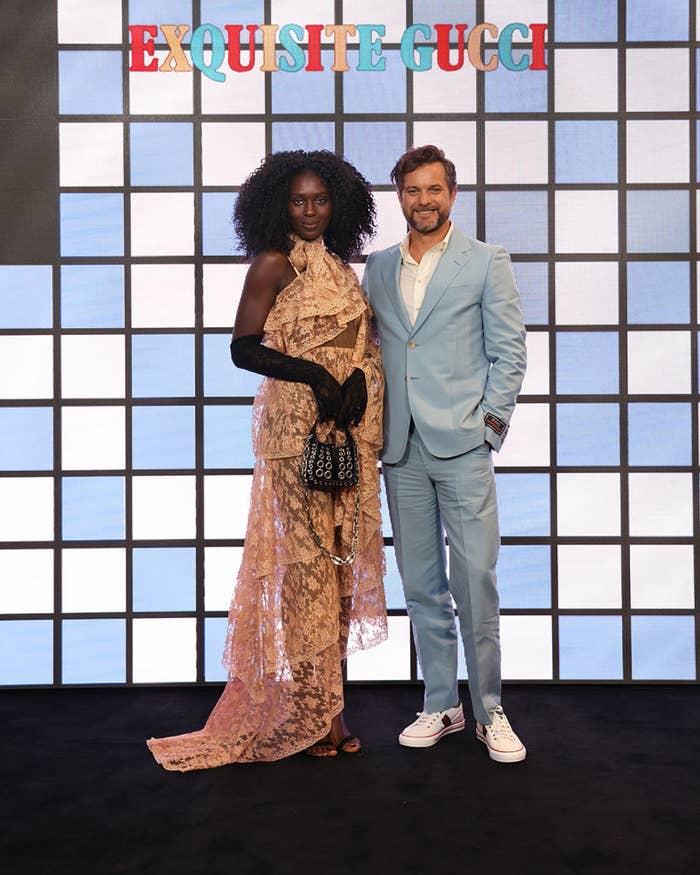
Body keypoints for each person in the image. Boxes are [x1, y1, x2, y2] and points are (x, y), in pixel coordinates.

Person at [147, 151, 387, 769]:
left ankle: (327, 710)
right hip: (294, 439)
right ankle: (318, 719)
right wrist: (312, 375)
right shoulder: (272, 263)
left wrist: (356, 379)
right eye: (298, 201)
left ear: (339, 205)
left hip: (347, 435)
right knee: (305, 572)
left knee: (336, 569)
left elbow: (361, 341)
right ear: (280, 205)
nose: (309, 212)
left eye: (320, 201)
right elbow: (243, 348)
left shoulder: (339, 266)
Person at [362, 145, 527, 763]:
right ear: (399, 196)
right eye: (412, 190)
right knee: (423, 585)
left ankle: (491, 711)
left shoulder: (486, 262)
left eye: (435, 190)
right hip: (400, 448)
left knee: (476, 579)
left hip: (462, 445)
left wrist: (488, 427)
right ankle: (441, 703)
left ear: (452, 195)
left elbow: (510, 352)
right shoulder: (377, 267)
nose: (423, 201)